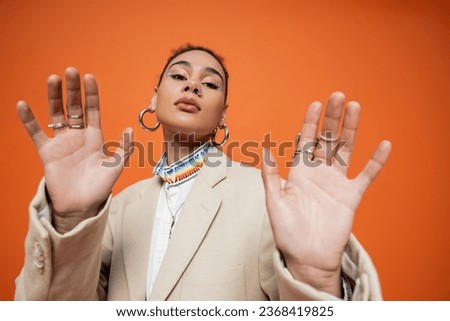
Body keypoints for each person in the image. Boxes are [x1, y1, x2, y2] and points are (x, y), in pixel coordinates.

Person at [14, 44, 391, 300]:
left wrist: (316, 277)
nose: (193, 85)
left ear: (223, 114)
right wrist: (71, 219)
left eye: (210, 83)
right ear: (154, 97)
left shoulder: (269, 199)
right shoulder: (120, 208)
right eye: (179, 77)